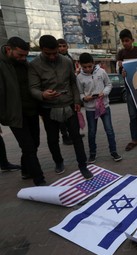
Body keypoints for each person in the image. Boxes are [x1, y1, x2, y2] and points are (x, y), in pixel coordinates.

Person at [28, 35, 93, 180]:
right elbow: (33, 88)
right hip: (48, 108)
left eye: (55, 53)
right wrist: (43, 94)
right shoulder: (34, 65)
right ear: (41, 50)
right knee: (52, 139)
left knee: (76, 137)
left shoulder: (66, 61)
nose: (52, 57)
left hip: (68, 105)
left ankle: (83, 165)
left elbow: (72, 83)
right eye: (48, 53)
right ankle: (58, 162)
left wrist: (77, 100)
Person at [0, 36, 46, 185]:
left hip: (31, 111)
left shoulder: (24, 64)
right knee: (28, 147)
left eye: (25, 56)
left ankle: (26, 171)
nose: (23, 58)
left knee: (35, 144)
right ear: (8, 50)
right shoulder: (2, 65)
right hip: (15, 114)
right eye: (20, 55)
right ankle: (39, 180)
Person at [77, 52, 122, 164]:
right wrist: (85, 98)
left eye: (89, 66)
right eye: (84, 67)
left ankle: (114, 152)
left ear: (93, 63)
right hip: (90, 109)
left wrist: (104, 93)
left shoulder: (101, 72)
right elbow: (80, 93)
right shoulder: (79, 77)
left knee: (109, 130)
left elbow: (109, 84)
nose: (87, 69)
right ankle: (92, 154)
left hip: (104, 106)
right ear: (80, 65)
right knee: (92, 132)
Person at [57, 38, 75, 145]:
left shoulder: (69, 58)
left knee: (71, 115)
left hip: (70, 91)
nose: (62, 48)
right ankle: (65, 136)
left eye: (64, 46)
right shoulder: (55, 59)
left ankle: (72, 133)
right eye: (59, 46)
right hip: (59, 93)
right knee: (61, 118)